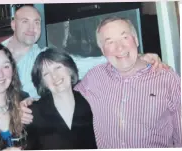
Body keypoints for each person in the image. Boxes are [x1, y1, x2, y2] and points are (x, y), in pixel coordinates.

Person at [0, 5, 167, 123]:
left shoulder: (44, 59)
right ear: (13, 24)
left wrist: (131, 56)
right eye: (25, 22)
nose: (32, 28)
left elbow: (82, 64)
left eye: (37, 22)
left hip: (27, 131)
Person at [74, 16, 182, 148]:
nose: (119, 47)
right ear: (102, 50)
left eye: (125, 38)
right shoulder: (93, 78)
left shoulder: (168, 79)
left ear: (136, 40)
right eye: (110, 42)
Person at [25, 48, 97, 149]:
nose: (54, 76)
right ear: (43, 83)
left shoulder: (89, 100)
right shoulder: (33, 113)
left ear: (69, 69)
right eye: (46, 74)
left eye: (58, 68)